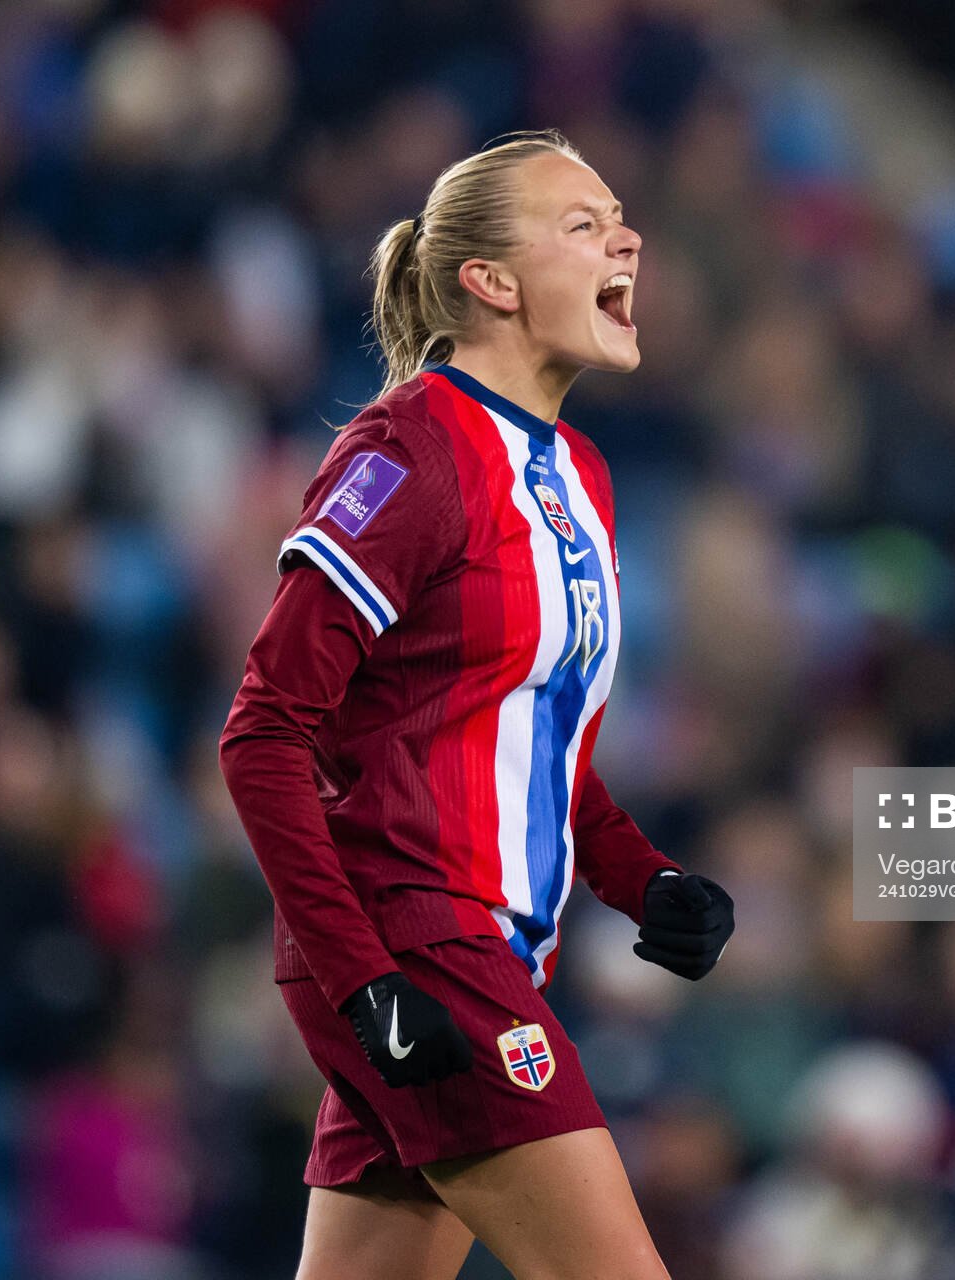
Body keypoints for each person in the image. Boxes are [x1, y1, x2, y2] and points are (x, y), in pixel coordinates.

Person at [218, 130, 735, 1280]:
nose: (627, 237)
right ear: (490, 283)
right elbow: (264, 732)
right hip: (418, 943)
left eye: (619, 217)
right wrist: (366, 985)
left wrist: (640, 874)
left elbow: (525, 738)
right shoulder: (408, 450)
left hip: (489, 947)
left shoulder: (578, 473)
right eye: (583, 223)